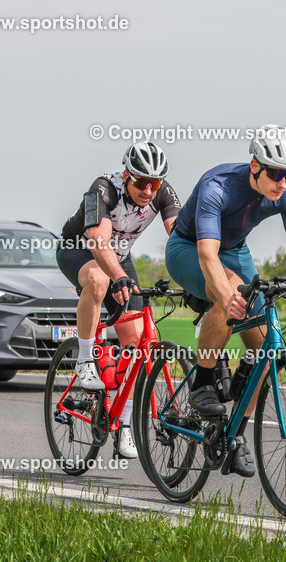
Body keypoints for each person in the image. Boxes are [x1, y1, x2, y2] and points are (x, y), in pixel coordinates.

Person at [165, 125, 286, 478]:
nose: (283, 182)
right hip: (189, 248)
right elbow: (207, 253)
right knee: (231, 293)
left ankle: (233, 435)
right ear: (255, 166)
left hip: (236, 250)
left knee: (265, 347)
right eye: (277, 173)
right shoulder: (216, 186)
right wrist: (227, 296)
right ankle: (202, 383)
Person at [56, 142, 180, 459]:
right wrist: (116, 277)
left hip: (119, 258)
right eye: (141, 182)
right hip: (79, 250)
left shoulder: (163, 193)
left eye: (155, 183)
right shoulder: (102, 188)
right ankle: (85, 359)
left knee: (138, 343)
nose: (149, 190)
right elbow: (98, 242)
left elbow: (180, 234)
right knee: (98, 280)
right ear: (126, 175)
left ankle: (124, 425)